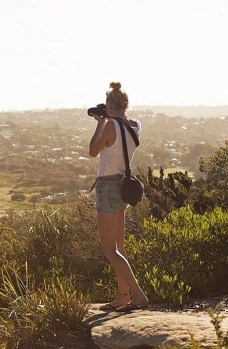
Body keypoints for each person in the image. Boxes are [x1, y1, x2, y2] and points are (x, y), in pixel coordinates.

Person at [88, 82, 149, 311]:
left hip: (108, 186)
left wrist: (100, 122)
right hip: (123, 185)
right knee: (119, 247)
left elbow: (93, 150)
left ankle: (138, 296)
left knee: (109, 249)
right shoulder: (135, 125)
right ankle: (123, 296)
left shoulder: (110, 125)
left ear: (109, 104)